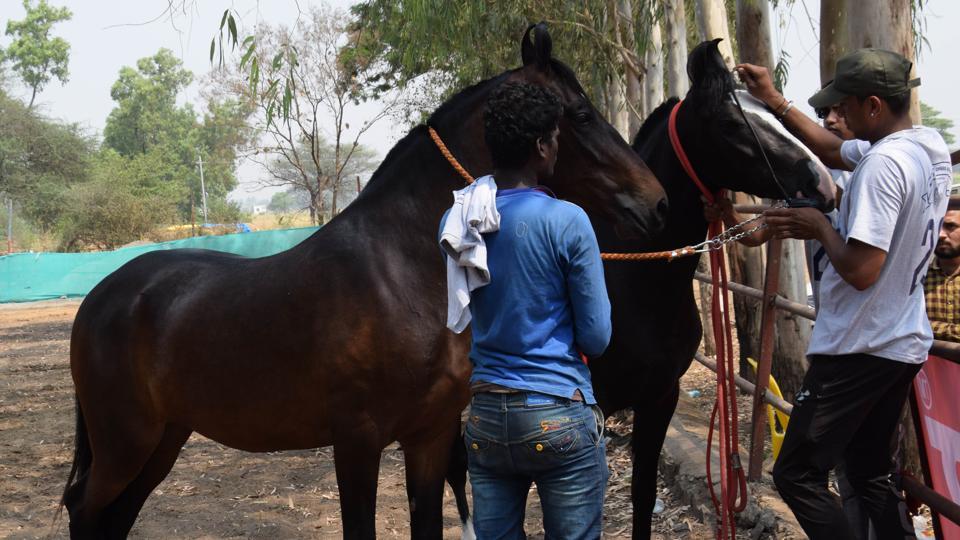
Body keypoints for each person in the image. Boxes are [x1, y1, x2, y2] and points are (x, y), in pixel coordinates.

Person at [736, 48, 952, 540]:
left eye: (846, 108)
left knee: (796, 475)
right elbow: (832, 151)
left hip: (858, 345)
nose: (839, 119)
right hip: (899, 340)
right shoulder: (926, 146)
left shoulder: (882, 167)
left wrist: (817, 226)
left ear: (873, 106)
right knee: (870, 472)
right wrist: (772, 98)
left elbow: (860, 270)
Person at [439, 81, 611, 539]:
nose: (557, 147)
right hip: (559, 413)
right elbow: (597, 337)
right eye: (554, 138)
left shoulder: (460, 221)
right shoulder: (568, 220)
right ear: (540, 146)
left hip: (487, 419)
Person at [924, 209, 960, 342]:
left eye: (950, 226)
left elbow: (917, 326)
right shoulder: (918, 279)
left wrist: (927, 327)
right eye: (934, 227)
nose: (940, 234)